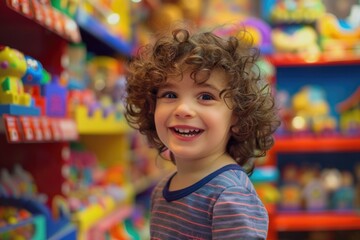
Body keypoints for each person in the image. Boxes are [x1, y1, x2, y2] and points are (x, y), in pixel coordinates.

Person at [125, 24, 280, 239]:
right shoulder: (162, 189)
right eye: (170, 95)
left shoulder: (230, 196)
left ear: (237, 115)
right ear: (151, 107)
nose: (183, 109)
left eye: (206, 97)